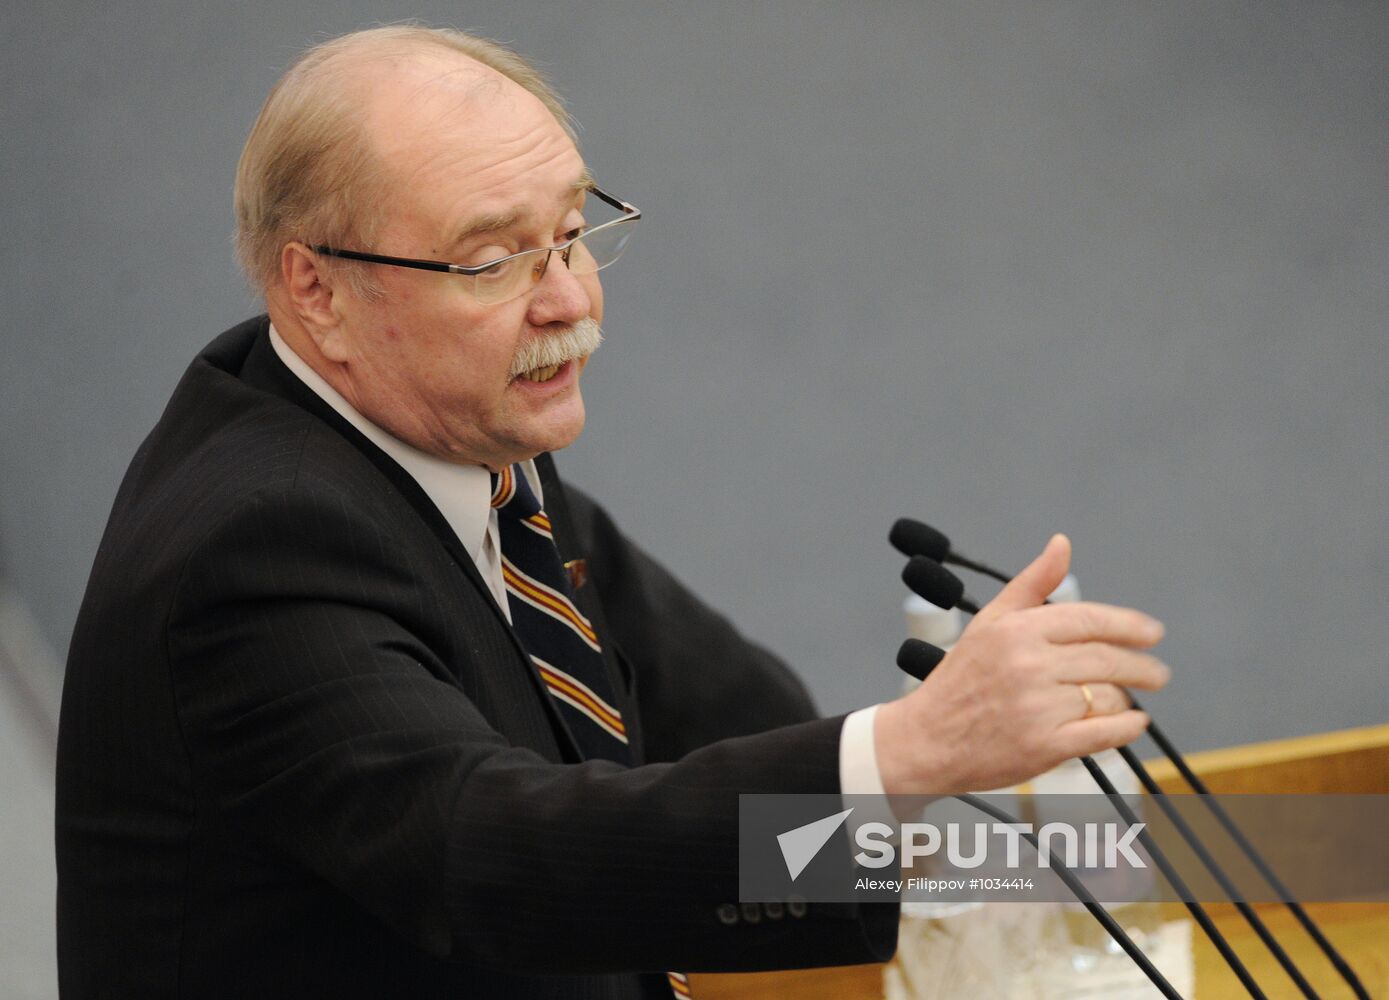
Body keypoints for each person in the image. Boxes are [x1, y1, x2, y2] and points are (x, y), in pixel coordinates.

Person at [55, 25, 1170, 1000]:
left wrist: (989, 850)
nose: (572, 297)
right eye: (493, 260)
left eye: (574, 229)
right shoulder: (257, 547)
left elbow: (736, 721)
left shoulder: (452, 442)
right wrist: (911, 753)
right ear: (317, 289)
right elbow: (494, 860)